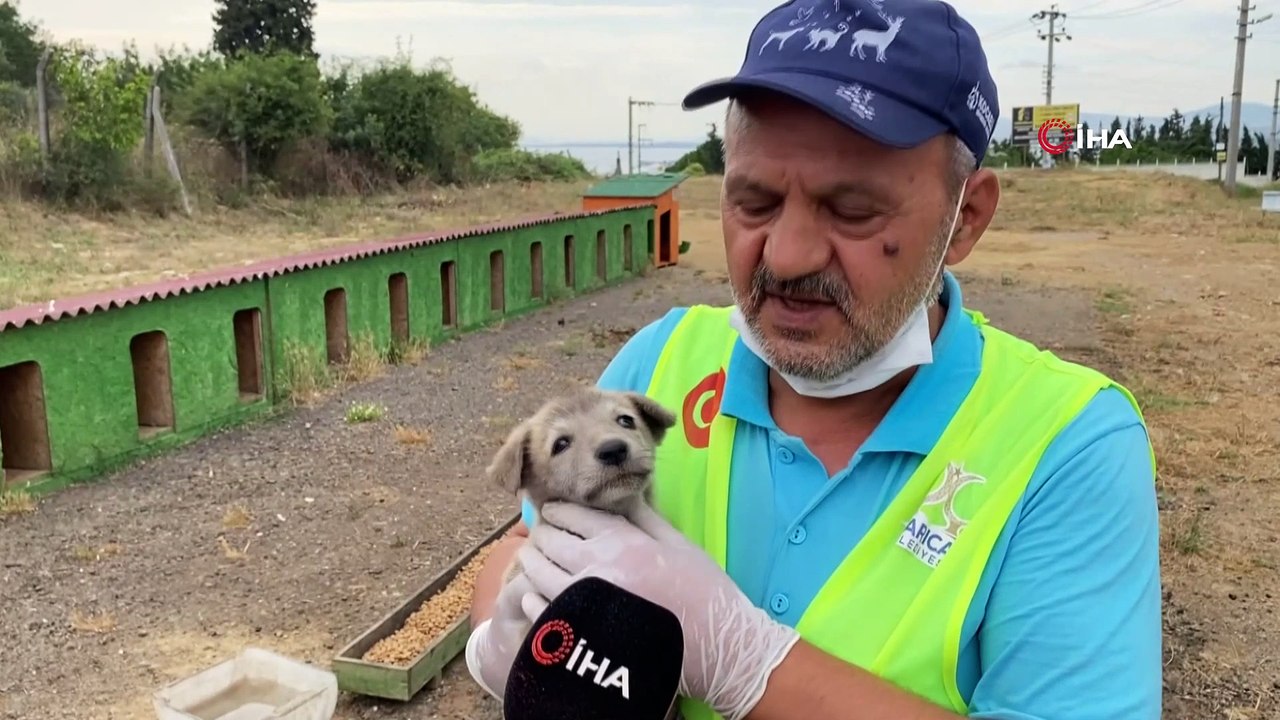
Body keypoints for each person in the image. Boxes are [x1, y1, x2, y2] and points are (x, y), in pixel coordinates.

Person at [464, 0, 1163, 718]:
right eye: (754, 203)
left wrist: (747, 661)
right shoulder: (662, 360)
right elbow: (527, 537)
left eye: (853, 210)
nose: (788, 255)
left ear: (966, 218)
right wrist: (504, 639)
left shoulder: (1065, 446)